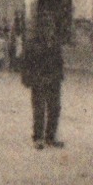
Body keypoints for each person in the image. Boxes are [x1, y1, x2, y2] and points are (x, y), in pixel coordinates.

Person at [21, 20, 66, 149]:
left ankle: (51, 137)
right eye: (46, 27)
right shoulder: (33, 44)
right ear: (40, 29)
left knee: (55, 109)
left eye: (51, 27)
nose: (48, 31)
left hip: (53, 81)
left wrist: (59, 76)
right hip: (39, 81)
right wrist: (28, 79)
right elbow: (26, 63)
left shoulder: (55, 43)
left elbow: (59, 61)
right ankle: (38, 138)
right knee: (39, 110)